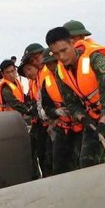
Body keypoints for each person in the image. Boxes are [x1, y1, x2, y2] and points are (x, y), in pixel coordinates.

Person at [45, 26, 105, 168]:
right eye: (56, 54)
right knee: (86, 162)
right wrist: (82, 118)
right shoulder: (60, 71)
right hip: (93, 118)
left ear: (72, 43)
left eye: (64, 50)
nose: (62, 57)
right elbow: (70, 102)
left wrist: (103, 120)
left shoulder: (96, 59)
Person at [39, 47, 83, 175]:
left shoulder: (71, 74)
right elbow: (46, 107)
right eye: (48, 64)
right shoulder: (46, 82)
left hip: (80, 127)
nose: (52, 66)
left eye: (54, 62)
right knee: (58, 165)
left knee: (80, 163)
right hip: (62, 129)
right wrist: (56, 111)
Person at [19, 43, 52, 177]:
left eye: (29, 69)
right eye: (25, 71)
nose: (27, 73)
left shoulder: (46, 74)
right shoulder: (35, 80)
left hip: (51, 123)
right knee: (42, 155)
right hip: (41, 123)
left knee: (50, 157)